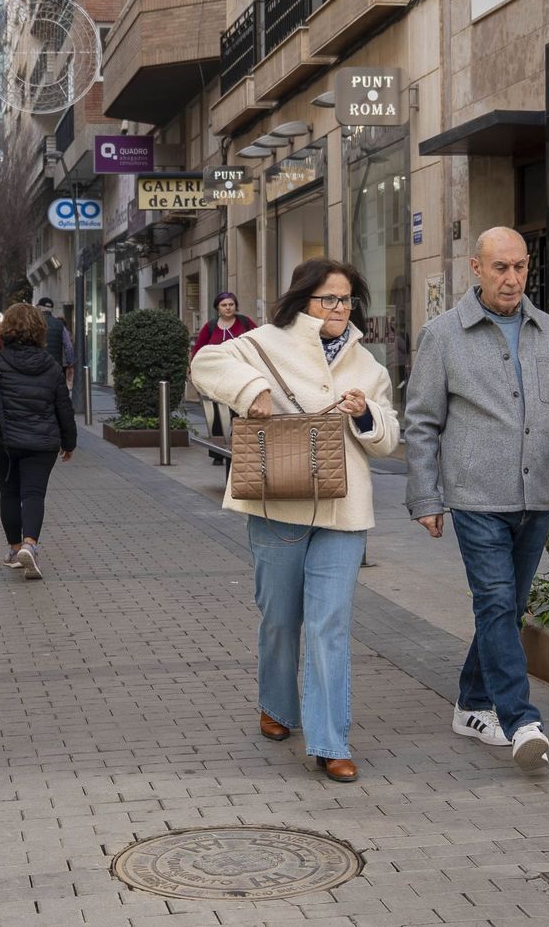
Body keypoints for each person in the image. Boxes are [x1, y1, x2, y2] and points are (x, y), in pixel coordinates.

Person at [403, 227, 549, 772]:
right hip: (476, 496)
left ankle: (471, 704)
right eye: (499, 268)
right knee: (494, 602)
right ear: (476, 268)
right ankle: (521, 721)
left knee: (508, 608)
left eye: (519, 267)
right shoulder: (443, 336)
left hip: (537, 494)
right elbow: (421, 422)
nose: (511, 278)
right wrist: (426, 496)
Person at [191, 259, 400, 784]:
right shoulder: (262, 343)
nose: (338, 309)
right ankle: (278, 706)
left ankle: (331, 741)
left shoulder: (368, 366)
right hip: (275, 502)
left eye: (347, 299)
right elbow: (205, 363)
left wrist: (365, 415)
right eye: (328, 299)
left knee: (330, 626)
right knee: (280, 618)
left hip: (343, 509)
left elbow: (390, 437)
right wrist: (251, 390)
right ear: (303, 299)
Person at [0, 303, 76, 580]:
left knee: (8, 493)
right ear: (40, 330)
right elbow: (63, 408)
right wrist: (69, 443)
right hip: (41, 440)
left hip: (1, 442)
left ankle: (14, 549)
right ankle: (30, 545)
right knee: (34, 494)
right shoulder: (51, 365)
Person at [190, 292, 257, 464]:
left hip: (240, 374)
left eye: (231, 304)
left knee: (238, 411)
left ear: (235, 306)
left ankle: (239, 447)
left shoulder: (245, 322)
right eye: (224, 305)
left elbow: (258, 341)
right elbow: (198, 349)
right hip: (216, 376)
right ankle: (217, 453)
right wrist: (192, 368)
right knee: (217, 414)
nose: (228, 308)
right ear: (218, 308)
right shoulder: (210, 326)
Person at [37, 298, 75, 384]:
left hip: (37, 365)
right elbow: (68, 346)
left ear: (40, 308)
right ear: (52, 309)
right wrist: (70, 364)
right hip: (56, 365)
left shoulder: (34, 323)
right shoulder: (60, 324)